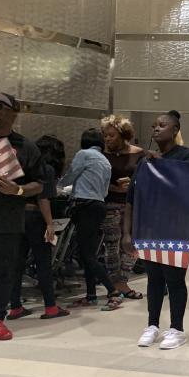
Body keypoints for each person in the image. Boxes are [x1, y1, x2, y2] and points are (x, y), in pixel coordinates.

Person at [122, 110, 189, 350]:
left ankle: (177, 328)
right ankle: (152, 325)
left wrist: (162, 165)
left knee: (174, 279)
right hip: (149, 230)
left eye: (163, 125)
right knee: (154, 279)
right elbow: (131, 199)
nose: (156, 129)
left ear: (175, 130)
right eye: (154, 125)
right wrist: (127, 233)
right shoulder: (144, 162)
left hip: (177, 230)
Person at [0, 93, 44, 340]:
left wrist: (18, 190)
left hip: (6, 223)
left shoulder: (26, 146)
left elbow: (40, 184)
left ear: (13, 112)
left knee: (3, 273)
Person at [8, 134, 70, 320]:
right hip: (35, 217)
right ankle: (50, 307)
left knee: (16, 264)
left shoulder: (21, 164)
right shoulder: (47, 169)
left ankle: (15, 307)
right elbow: (43, 199)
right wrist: (50, 224)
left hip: (16, 216)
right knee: (43, 263)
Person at [61, 128, 120, 310]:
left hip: (84, 206)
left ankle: (113, 292)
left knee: (86, 255)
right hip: (98, 206)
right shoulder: (106, 161)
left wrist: (58, 185)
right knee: (89, 254)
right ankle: (91, 295)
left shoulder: (83, 154)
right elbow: (104, 190)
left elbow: (72, 174)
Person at [100, 114, 144, 301]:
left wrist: (134, 182)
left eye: (112, 135)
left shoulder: (138, 153)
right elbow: (97, 181)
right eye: (105, 135)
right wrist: (114, 187)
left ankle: (123, 281)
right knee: (112, 244)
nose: (108, 139)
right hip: (110, 202)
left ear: (123, 135)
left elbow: (147, 177)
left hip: (133, 204)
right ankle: (116, 283)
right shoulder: (101, 154)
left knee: (133, 243)